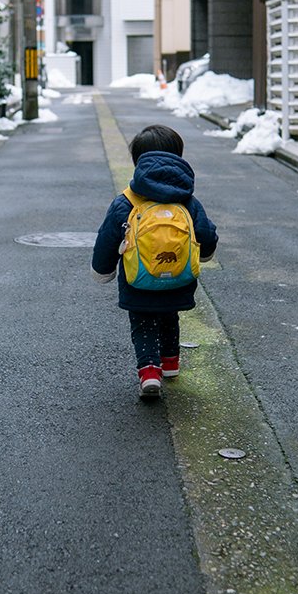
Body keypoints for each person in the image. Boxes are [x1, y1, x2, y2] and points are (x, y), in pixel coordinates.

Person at [92, 124, 218, 399]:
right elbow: (205, 231)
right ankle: (170, 362)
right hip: (179, 278)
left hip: (138, 279)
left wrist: (103, 269)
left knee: (143, 320)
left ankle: (150, 372)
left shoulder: (127, 200)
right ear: (178, 157)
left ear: (138, 160)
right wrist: (206, 253)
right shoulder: (187, 199)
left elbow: (107, 237)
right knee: (169, 314)